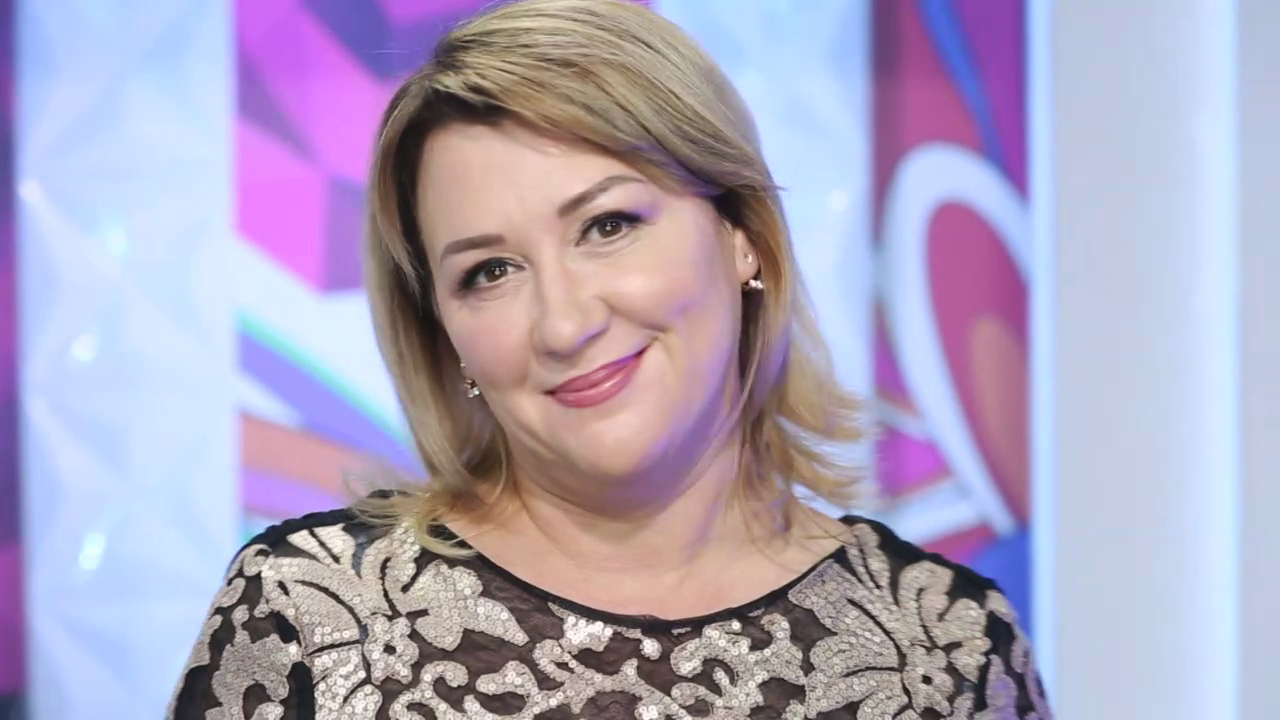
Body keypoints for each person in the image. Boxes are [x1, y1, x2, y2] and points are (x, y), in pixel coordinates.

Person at [169, 0, 1051, 717]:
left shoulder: (948, 646)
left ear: (741, 235)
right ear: (444, 332)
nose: (563, 323)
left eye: (607, 225)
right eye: (490, 272)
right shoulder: (309, 616)